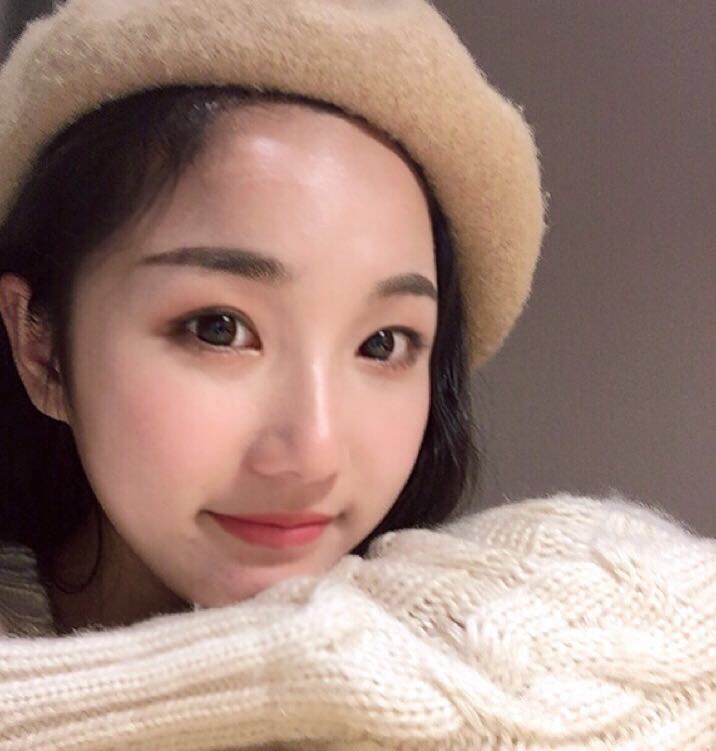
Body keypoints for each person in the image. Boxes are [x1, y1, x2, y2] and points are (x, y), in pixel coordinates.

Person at [0, 1, 713, 749]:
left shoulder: (493, 612)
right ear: (41, 347)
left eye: (382, 343)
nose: (314, 454)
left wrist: (298, 667)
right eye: (219, 328)